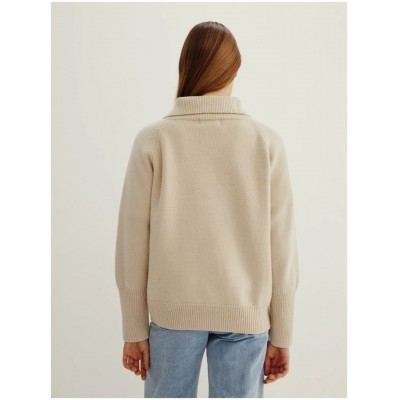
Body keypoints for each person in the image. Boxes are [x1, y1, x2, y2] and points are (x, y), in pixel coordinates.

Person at [115, 21, 299, 398]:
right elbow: (282, 246)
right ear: (235, 69)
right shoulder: (265, 142)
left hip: (171, 313)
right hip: (246, 313)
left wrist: (134, 327)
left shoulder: (153, 140)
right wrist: (283, 332)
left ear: (185, 67)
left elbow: (132, 241)